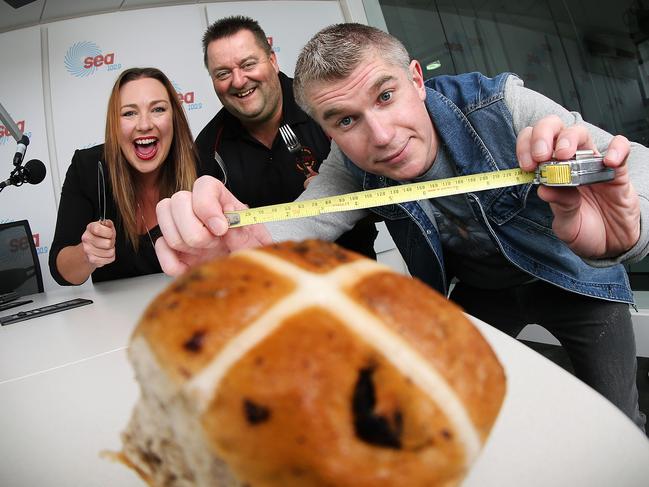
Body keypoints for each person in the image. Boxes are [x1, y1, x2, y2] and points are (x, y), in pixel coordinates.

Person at [154, 24, 649, 430]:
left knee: (619, 417)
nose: (382, 136)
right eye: (344, 121)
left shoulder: (502, 107)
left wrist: (629, 234)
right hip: (480, 294)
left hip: (574, 278)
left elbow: (637, 170)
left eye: (386, 95)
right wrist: (243, 250)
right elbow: (304, 218)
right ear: (326, 131)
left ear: (417, 79)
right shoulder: (348, 168)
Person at [195, 15, 378, 259]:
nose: (238, 81)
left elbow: (384, 190)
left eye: (248, 64)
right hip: (271, 282)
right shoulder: (208, 147)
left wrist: (339, 191)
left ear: (273, 61)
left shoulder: (324, 107)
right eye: (223, 73)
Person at [49, 67, 199, 285]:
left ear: (174, 118)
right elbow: (61, 272)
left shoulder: (201, 164)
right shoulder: (89, 167)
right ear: (114, 124)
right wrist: (87, 253)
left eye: (157, 109)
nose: (145, 124)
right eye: (129, 113)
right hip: (115, 317)